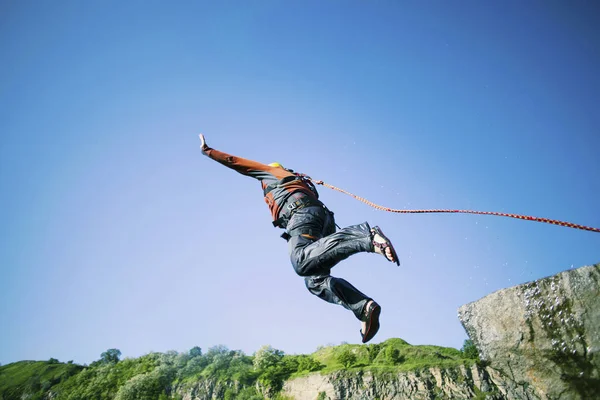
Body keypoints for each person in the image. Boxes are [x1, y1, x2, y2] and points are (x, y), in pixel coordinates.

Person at [198, 134, 399, 343]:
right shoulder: (297, 180)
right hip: (321, 221)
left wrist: (208, 151)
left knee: (301, 262)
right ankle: (363, 307)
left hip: (302, 216)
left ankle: (366, 236)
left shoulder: (271, 173)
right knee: (314, 281)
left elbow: (237, 163)